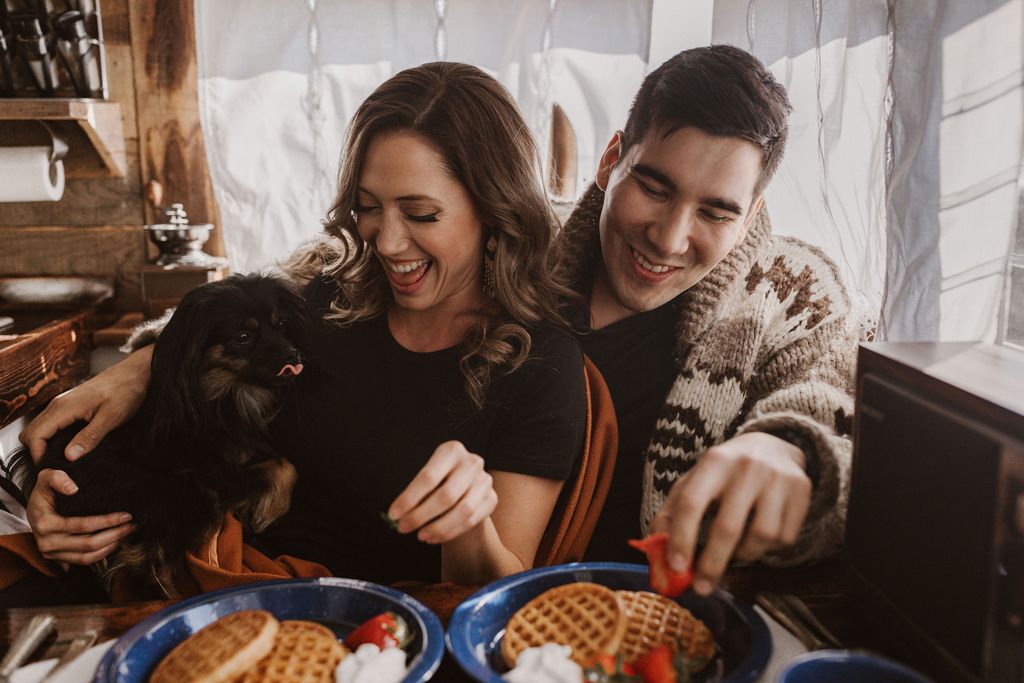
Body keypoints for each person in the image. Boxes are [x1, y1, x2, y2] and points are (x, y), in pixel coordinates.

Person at [18, 62, 586, 588]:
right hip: (223, 588)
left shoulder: (537, 365)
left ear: (496, 209)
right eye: (368, 207)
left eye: (421, 215)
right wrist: (71, 498)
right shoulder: (327, 299)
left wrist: (469, 521)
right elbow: (199, 418)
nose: (385, 243)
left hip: (378, 635)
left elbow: (500, 591)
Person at [561, 45, 862, 594]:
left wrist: (789, 447)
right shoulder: (517, 260)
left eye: (716, 212)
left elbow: (837, 423)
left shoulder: (796, 293)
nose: (669, 238)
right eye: (654, 189)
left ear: (749, 217)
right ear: (611, 160)